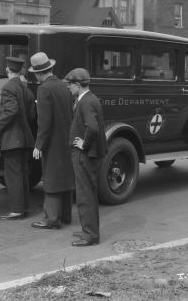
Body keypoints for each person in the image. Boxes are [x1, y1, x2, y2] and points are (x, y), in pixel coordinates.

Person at [28, 52, 75, 230]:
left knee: (52, 178)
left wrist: (39, 145)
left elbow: (44, 122)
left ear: (39, 74)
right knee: (65, 176)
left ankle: (52, 219)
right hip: (66, 138)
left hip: (53, 141)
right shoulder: (64, 86)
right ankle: (66, 215)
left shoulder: (44, 89)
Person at [0, 57, 35, 220]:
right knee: (23, 174)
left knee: (13, 175)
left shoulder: (8, 88)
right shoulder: (26, 90)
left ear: (7, 70)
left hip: (13, 139)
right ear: (20, 71)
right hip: (25, 137)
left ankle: (16, 210)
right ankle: (24, 207)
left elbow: (11, 111)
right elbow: (31, 115)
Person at [64, 68, 106, 246]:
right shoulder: (88, 99)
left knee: (85, 195)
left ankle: (90, 235)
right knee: (88, 193)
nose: (68, 88)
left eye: (69, 85)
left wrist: (84, 144)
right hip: (87, 155)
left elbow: (93, 127)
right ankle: (88, 230)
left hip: (84, 156)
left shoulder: (85, 102)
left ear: (77, 84)